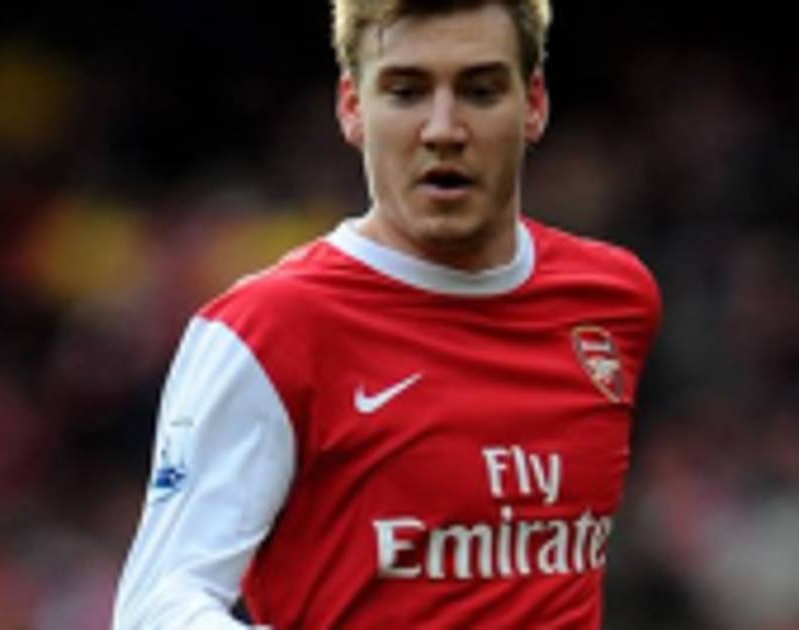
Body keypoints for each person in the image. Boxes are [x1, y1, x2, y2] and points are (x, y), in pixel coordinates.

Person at [112, 1, 661, 628]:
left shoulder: (613, 300)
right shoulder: (267, 329)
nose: (443, 129)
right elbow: (155, 607)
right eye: (406, 92)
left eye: (480, 91)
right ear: (352, 107)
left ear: (534, 104)